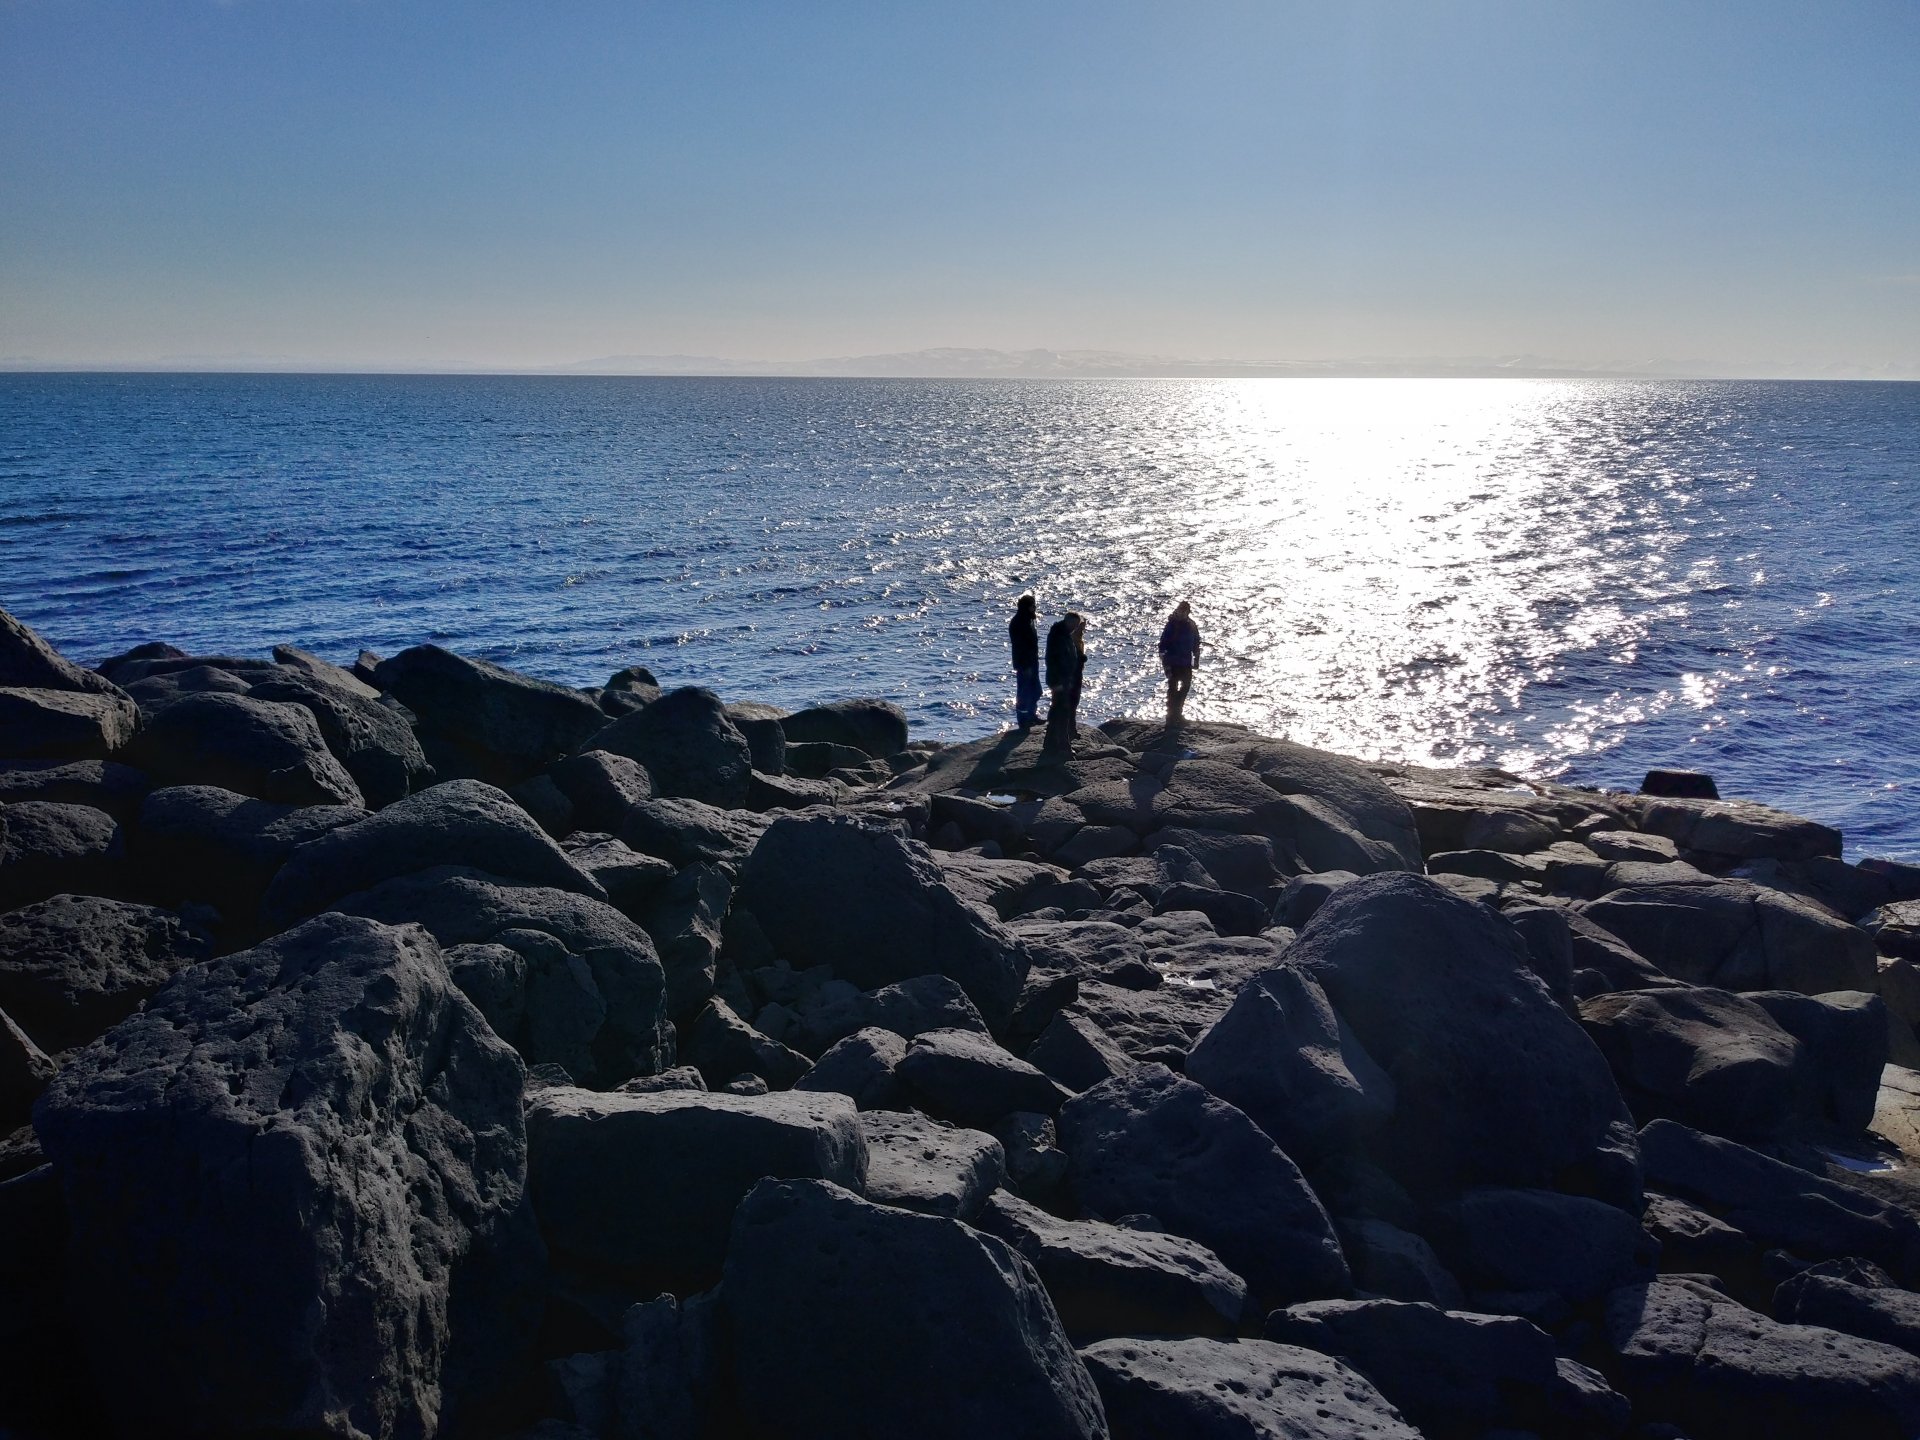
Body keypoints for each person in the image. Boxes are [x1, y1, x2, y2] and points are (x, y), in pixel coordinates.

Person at [1043, 611, 1086, 755]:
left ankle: (1050, 743)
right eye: (1074, 625)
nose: (1075, 628)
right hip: (1059, 680)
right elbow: (1053, 660)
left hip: (1065, 679)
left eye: (1077, 625)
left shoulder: (1064, 635)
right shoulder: (1058, 636)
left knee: (1057, 711)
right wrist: (1058, 682)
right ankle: (1063, 746)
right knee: (1062, 713)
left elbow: (1068, 657)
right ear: (1068, 622)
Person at [1158, 600, 1200, 723]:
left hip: (1185, 661)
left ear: (1188, 612)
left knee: (1186, 686)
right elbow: (1163, 643)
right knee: (1173, 687)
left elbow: (1196, 642)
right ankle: (1172, 714)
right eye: (1180, 610)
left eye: (1184, 611)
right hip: (1172, 661)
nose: (1182, 613)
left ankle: (1177, 711)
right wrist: (1163, 657)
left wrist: (1196, 659)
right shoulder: (1172, 624)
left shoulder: (1191, 625)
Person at [1009, 594, 1040, 728]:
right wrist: (1025, 664)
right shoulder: (1019, 622)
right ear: (1027, 607)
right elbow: (1020, 646)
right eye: (1033, 606)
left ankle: (1032, 715)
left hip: (1032, 660)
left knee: (1035, 690)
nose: (1035, 608)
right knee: (1024, 691)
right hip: (1024, 663)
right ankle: (1023, 719)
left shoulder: (1028, 619)